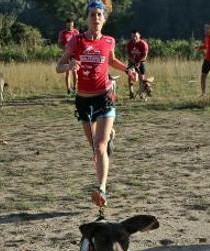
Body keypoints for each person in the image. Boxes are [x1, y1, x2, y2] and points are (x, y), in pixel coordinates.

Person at [56, 0, 138, 209]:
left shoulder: (109, 41)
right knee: (95, 147)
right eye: (92, 14)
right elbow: (59, 67)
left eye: (99, 14)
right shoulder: (76, 41)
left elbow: (111, 60)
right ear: (87, 18)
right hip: (83, 100)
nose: (96, 18)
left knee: (100, 146)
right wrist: (70, 64)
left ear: (104, 18)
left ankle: (101, 189)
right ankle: (109, 135)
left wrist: (128, 69)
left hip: (104, 97)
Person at [58, 18, 80, 95]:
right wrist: (66, 48)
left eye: (71, 25)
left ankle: (75, 88)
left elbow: (79, 42)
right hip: (66, 55)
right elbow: (59, 44)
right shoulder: (62, 33)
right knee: (68, 72)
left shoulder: (76, 32)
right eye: (69, 26)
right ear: (66, 25)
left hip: (74, 55)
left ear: (73, 25)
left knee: (75, 71)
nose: (70, 27)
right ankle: (68, 89)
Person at [125, 29, 148, 98]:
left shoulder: (143, 44)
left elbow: (145, 55)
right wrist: (132, 61)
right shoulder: (129, 43)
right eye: (132, 36)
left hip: (141, 61)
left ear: (139, 36)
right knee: (130, 75)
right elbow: (128, 54)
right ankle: (131, 92)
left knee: (142, 78)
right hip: (132, 61)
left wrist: (139, 62)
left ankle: (141, 93)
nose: (134, 38)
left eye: (136, 36)